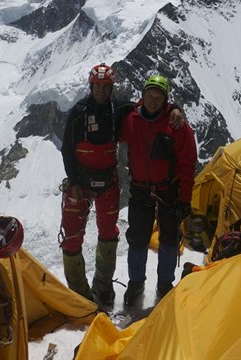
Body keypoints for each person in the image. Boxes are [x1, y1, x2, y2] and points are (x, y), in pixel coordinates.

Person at [59, 64, 183, 307]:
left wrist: (176, 108)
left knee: (108, 234)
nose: (102, 91)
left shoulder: (121, 108)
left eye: (106, 87)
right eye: (98, 86)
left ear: (112, 87)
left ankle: (103, 288)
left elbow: (150, 107)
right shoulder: (78, 113)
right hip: (80, 184)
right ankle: (79, 294)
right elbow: (66, 149)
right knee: (72, 237)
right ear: (91, 86)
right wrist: (73, 181)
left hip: (107, 181)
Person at [120, 74, 198, 307]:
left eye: (158, 97)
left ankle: (164, 284)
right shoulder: (131, 120)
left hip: (168, 191)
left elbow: (187, 164)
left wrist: (185, 199)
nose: (153, 100)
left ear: (165, 100)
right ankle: (136, 283)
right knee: (137, 239)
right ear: (142, 96)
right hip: (140, 189)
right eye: (149, 95)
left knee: (169, 240)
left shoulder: (176, 125)